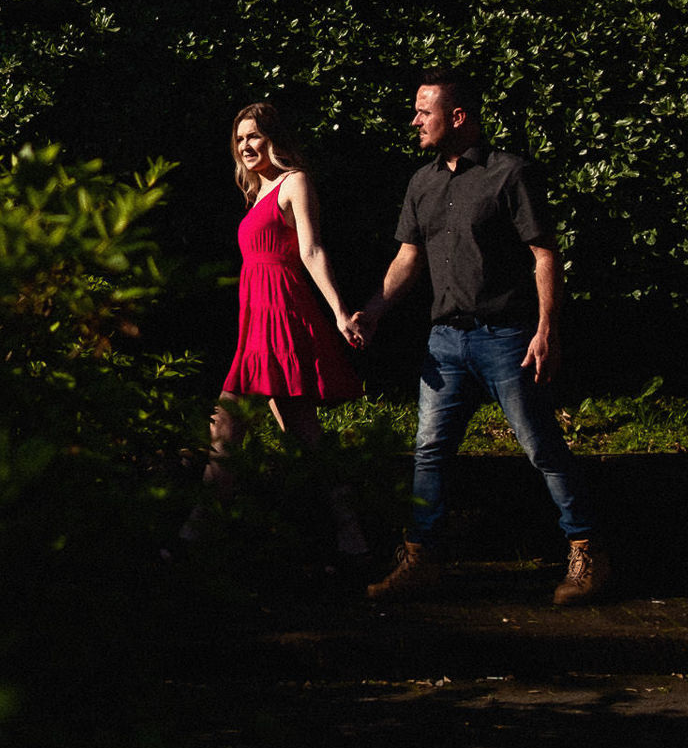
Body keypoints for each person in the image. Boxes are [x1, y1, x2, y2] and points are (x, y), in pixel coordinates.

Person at [351, 67, 611, 606]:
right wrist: (373, 309)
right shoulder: (421, 181)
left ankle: (588, 553)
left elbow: (544, 254)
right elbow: (409, 257)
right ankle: (422, 559)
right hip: (444, 342)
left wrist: (547, 330)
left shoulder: (508, 174)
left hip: (506, 338)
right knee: (429, 451)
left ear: (459, 116)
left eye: (425, 111)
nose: (415, 120)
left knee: (541, 446)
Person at [187, 102, 367, 563]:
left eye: (255, 136)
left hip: (281, 318)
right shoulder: (257, 194)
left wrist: (340, 312)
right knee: (298, 432)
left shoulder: (294, 183)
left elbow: (311, 249)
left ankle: (198, 533)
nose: (246, 145)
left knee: (235, 423)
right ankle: (350, 530)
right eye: (241, 138)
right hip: (256, 321)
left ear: (274, 139)